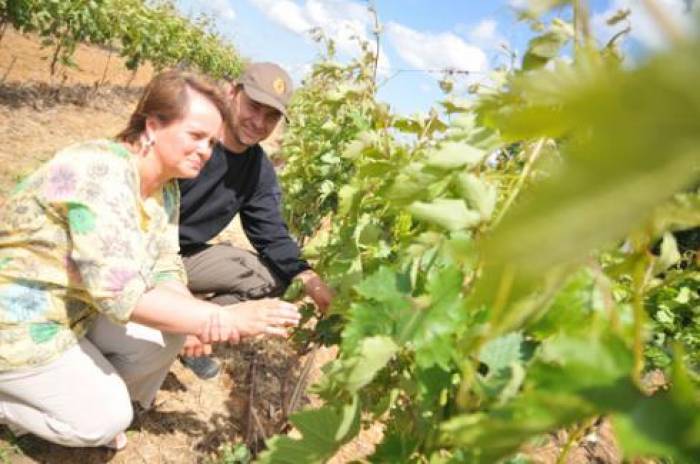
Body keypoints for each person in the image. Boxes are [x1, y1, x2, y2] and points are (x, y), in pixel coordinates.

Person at [0, 70, 300, 450]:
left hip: (74, 311)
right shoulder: (102, 173)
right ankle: (37, 406)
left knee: (165, 336)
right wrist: (219, 318)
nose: (207, 151)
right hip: (17, 320)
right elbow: (121, 295)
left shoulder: (165, 190)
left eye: (210, 141)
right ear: (154, 125)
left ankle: (74, 398)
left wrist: (189, 314)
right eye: (195, 136)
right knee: (102, 419)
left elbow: (165, 262)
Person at [177, 62, 333, 379]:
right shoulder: (193, 138)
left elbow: (272, 234)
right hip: (141, 243)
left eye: (272, 115)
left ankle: (189, 332)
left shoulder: (258, 169)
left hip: (187, 254)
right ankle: (176, 321)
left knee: (276, 279)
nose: (259, 122)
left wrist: (312, 282)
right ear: (232, 92)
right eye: (253, 106)